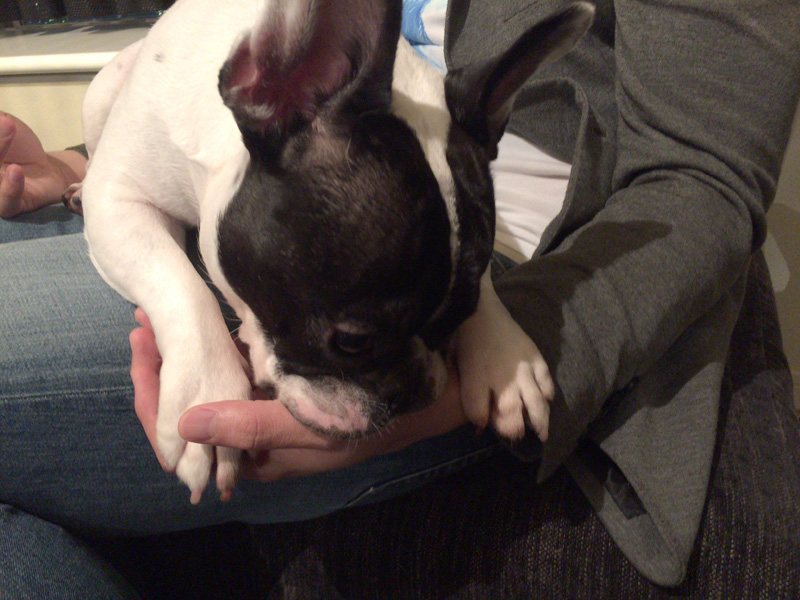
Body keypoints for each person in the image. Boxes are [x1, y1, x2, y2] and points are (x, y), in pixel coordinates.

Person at [1, 0, 798, 596]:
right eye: (355, 345)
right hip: (310, 186)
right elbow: (175, 160)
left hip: (484, 224)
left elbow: (705, 178)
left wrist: (511, 316)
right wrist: (90, 186)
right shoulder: (268, 74)